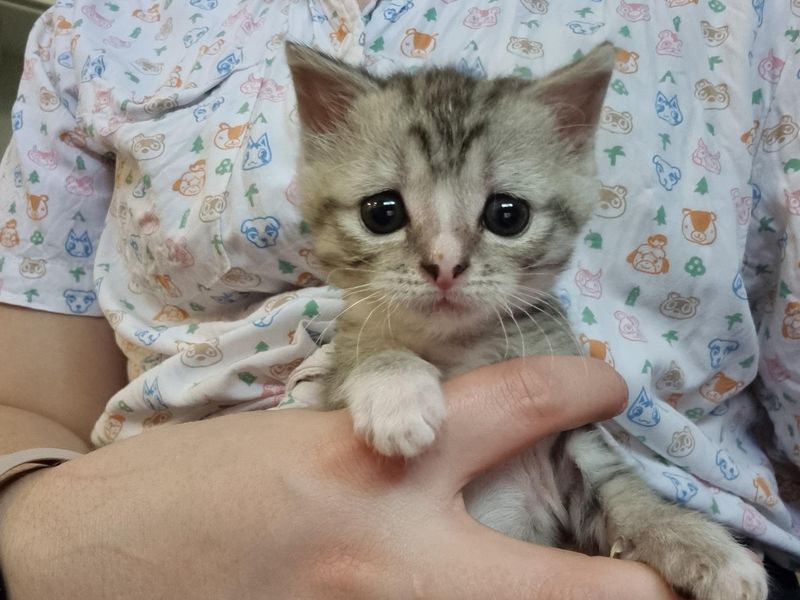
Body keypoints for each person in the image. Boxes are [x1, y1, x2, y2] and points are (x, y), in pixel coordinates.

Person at [0, 0, 798, 597]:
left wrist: (663, 532)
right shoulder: (95, 30)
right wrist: (42, 529)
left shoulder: (752, 22)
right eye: (388, 215)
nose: (444, 261)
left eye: (504, 215)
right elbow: (22, 400)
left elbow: (585, 469)